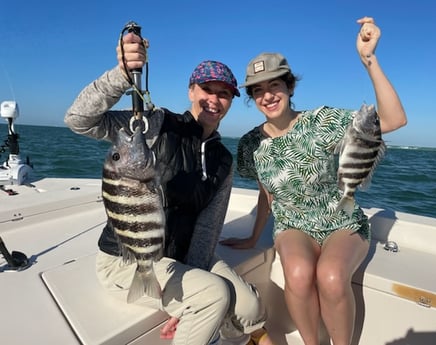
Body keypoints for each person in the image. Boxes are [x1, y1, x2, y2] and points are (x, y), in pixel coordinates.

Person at [65, 31, 273, 345]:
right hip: (128, 259)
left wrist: (186, 292)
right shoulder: (155, 124)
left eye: (224, 94)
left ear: (231, 101)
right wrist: (121, 76)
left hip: (184, 254)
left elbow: (206, 229)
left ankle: (228, 329)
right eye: (207, 89)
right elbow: (79, 120)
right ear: (191, 90)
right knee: (213, 296)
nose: (214, 100)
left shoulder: (222, 160)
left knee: (251, 306)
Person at [220, 17, 407, 345]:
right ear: (252, 97)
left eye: (275, 85)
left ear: (290, 87)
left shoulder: (322, 120)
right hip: (293, 224)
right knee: (298, 274)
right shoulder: (250, 143)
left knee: (332, 278)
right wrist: (253, 237)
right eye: (258, 90)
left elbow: (394, 119)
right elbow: (267, 194)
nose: (268, 95)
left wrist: (369, 60)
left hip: (341, 220)